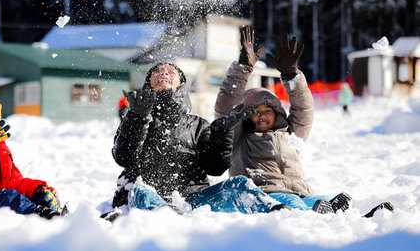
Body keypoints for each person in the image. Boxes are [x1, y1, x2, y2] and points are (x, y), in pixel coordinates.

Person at [104, 62, 282, 221]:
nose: (163, 73)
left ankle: (279, 213)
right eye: (157, 71)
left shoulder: (198, 125)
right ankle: (167, 216)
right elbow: (124, 157)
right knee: (141, 190)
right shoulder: (136, 118)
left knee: (239, 184)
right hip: (146, 199)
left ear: (180, 84)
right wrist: (137, 118)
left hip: (193, 201)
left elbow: (215, 168)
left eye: (171, 72)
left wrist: (223, 133)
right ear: (148, 82)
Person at [214, 27, 351, 214]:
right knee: (294, 204)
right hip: (266, 193)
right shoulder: (239, 136)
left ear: (277, 113)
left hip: (301, 191)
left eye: (267, 111)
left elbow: (304, 110)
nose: (261, 115)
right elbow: (226, 108)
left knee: (325, 201)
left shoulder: (290, 133)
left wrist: (292, 77)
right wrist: (243, 68)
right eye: (255, 111)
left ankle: (357, 218)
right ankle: (311, 216)